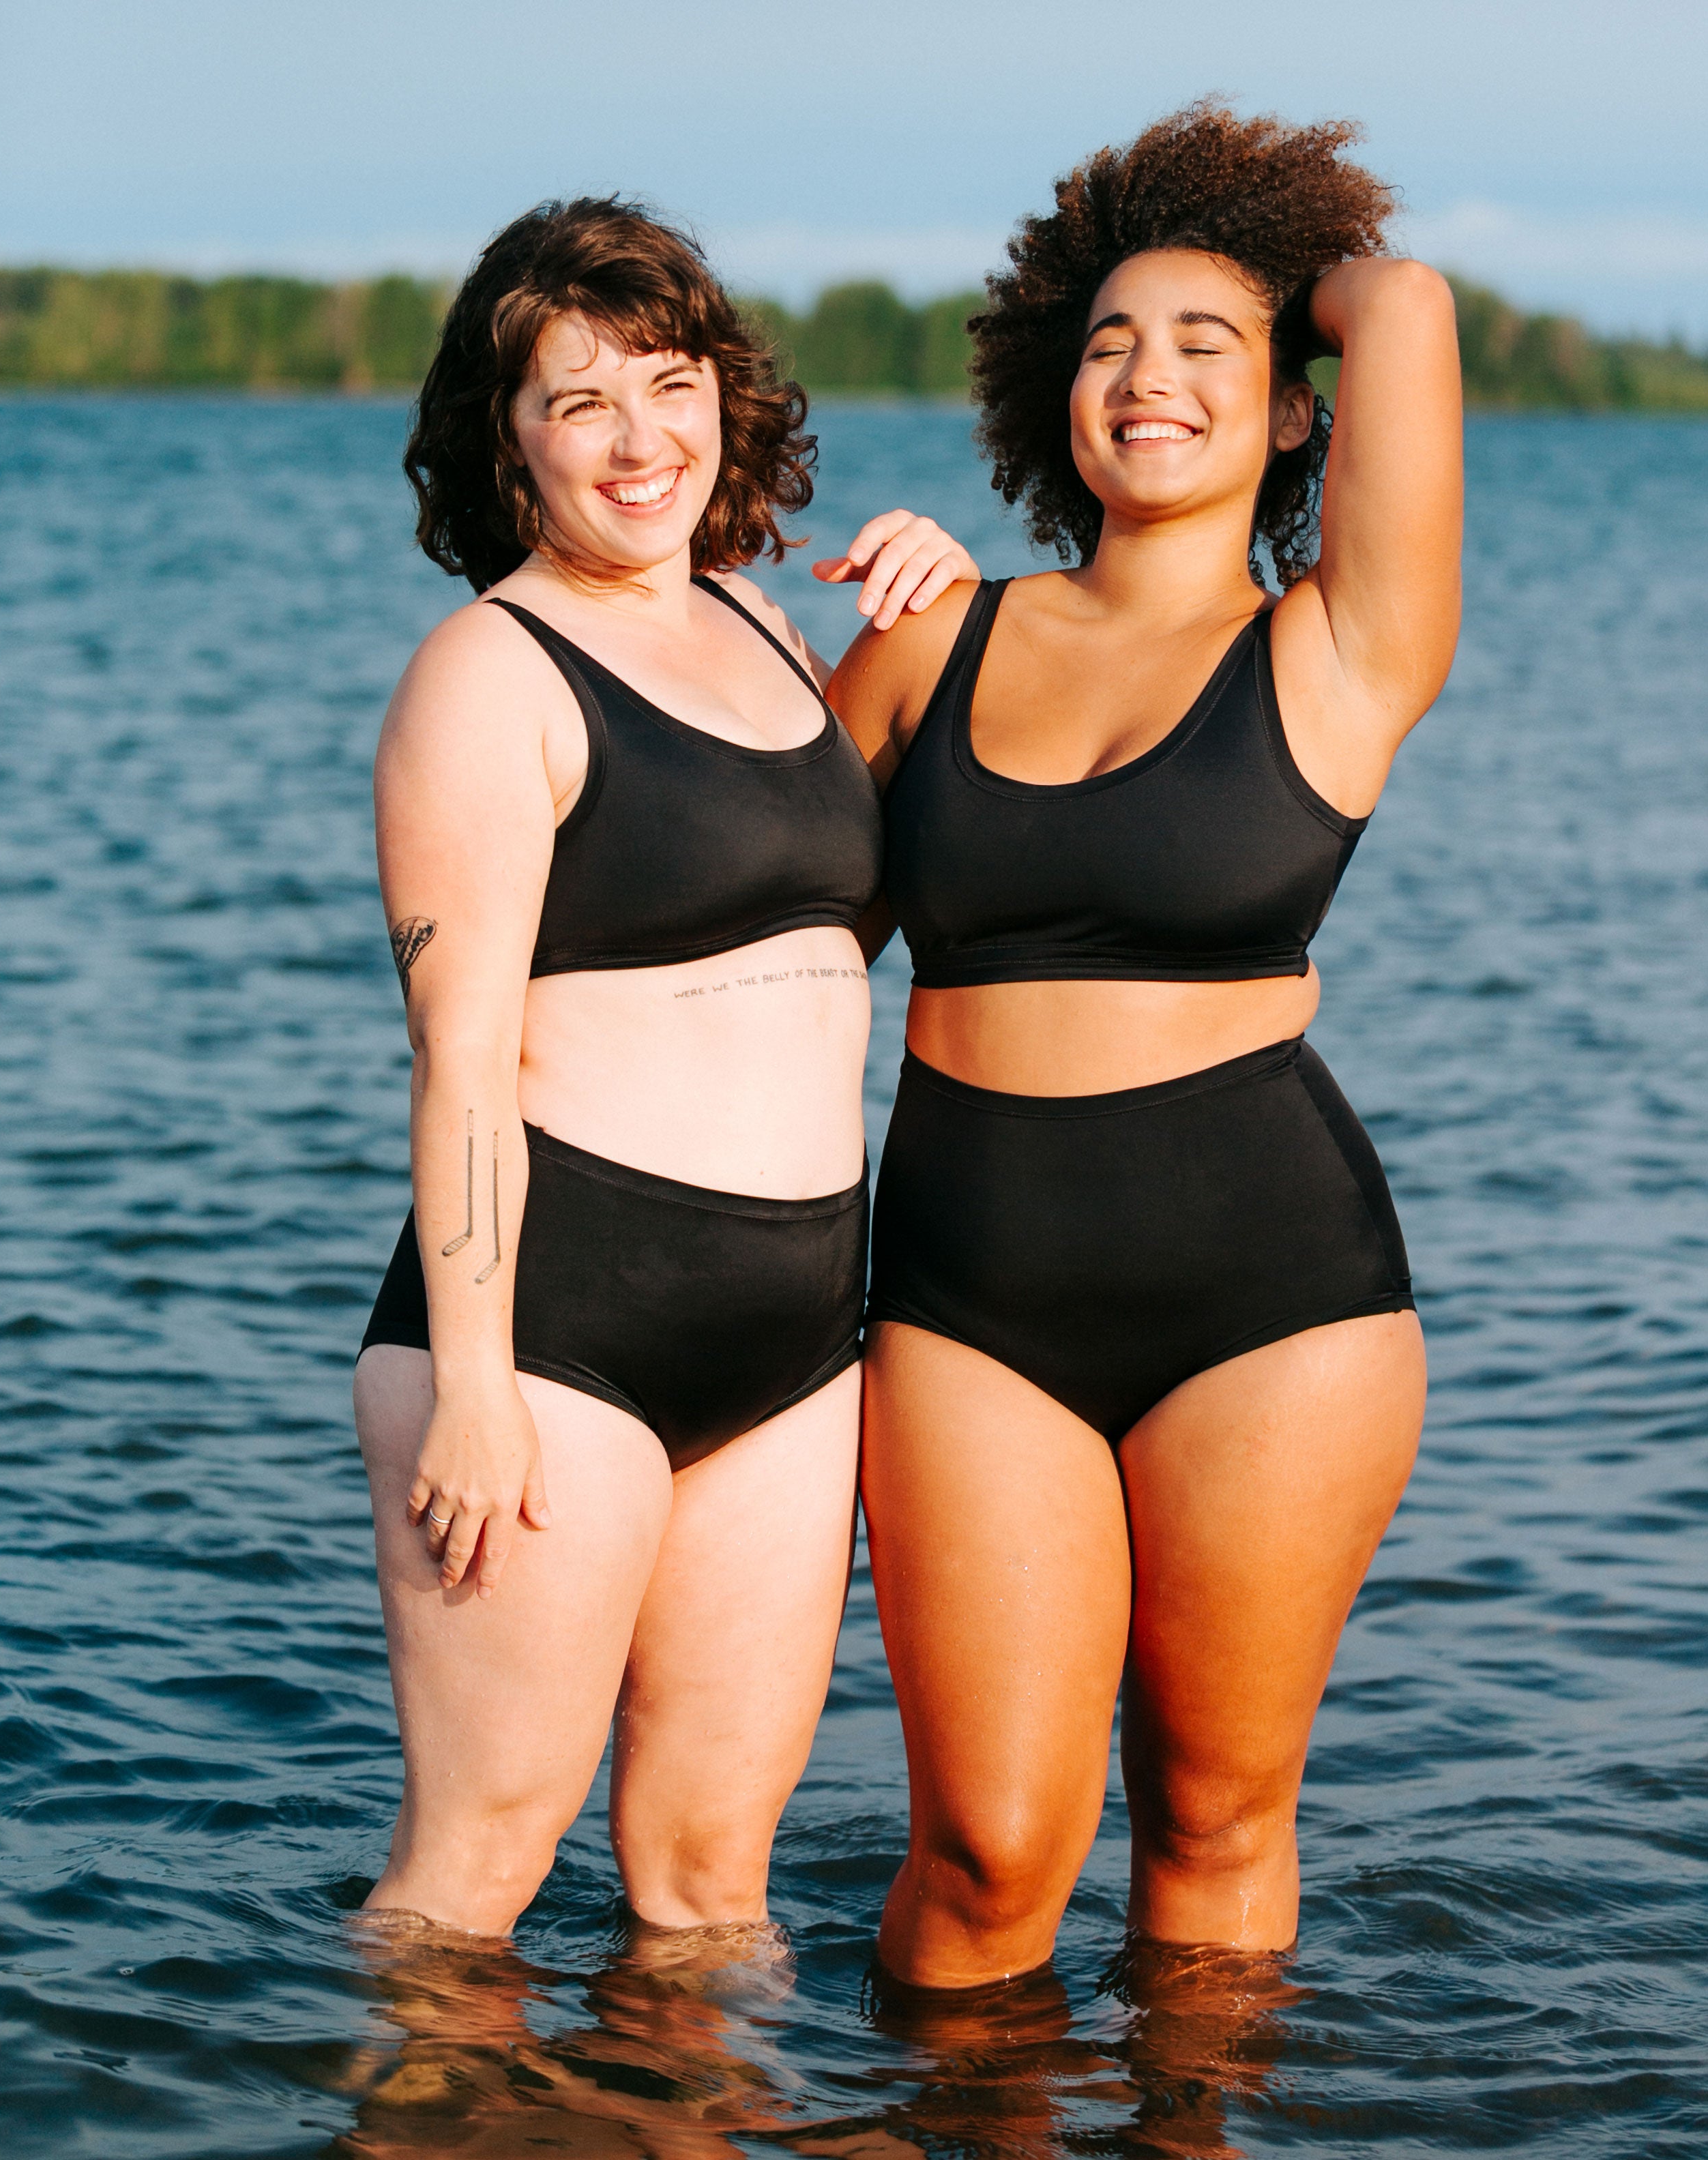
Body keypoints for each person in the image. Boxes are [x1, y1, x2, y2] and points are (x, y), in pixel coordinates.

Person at [828, 102, 1462, 1986]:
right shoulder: (935, 639)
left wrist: (1293, 267)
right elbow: (752, 939)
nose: (1147, 375)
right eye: (1105, 341)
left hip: (1270, 1296)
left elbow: (1405, 298)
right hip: (969, 1293)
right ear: (1052, 389)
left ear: (1292, 411)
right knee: (984, 1854)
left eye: (1208, 345)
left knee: (1208, 1821)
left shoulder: (1339, 648)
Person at [353, 196, 979, 1940]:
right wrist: (473, 1380)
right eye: (579, 402)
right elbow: (459, 1061)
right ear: (510, 446)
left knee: (714, 1885)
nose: (640, 440)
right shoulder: (487, 675)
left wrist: (922, 606)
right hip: (560, 1323)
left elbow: (794, 932)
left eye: (669, 380)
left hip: (791, 1325)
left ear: (727, 396)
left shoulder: (770, 634)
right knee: (475, 1875)